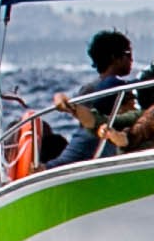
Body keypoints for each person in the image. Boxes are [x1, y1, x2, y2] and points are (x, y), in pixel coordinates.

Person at [48, 30, 134, 167]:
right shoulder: (92, 89)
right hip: (97, 144)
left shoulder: (116, 87)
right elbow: (86, 123)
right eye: (128, 54)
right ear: (114, 57)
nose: (132, 60)